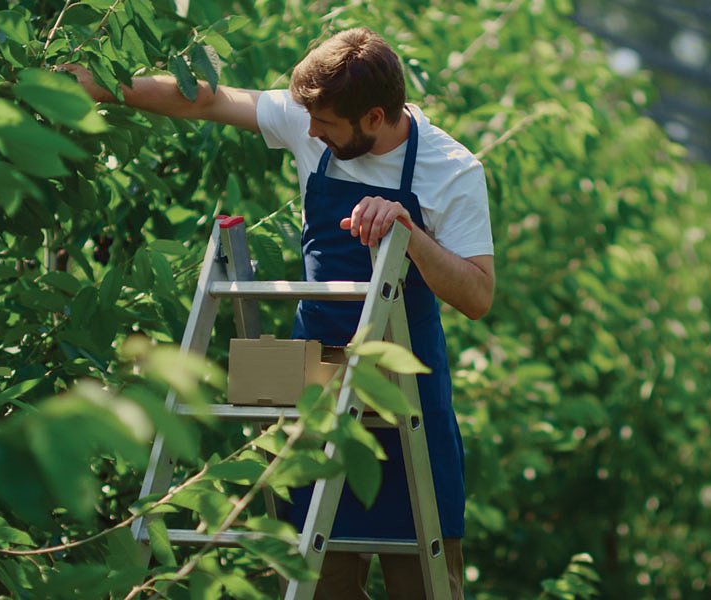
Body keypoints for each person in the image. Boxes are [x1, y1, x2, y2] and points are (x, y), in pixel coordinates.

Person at [63, 27, 494, 599]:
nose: (309, 132)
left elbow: (478, 296)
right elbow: (206, 98)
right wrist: (95, 86)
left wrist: (409, 235)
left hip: (404, 397)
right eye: (307, 119)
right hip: (311, 384)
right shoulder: (311, 118)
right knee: (314, 585)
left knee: (423, 585)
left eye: (326, 126)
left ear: (372, 116)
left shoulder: (452, 170)